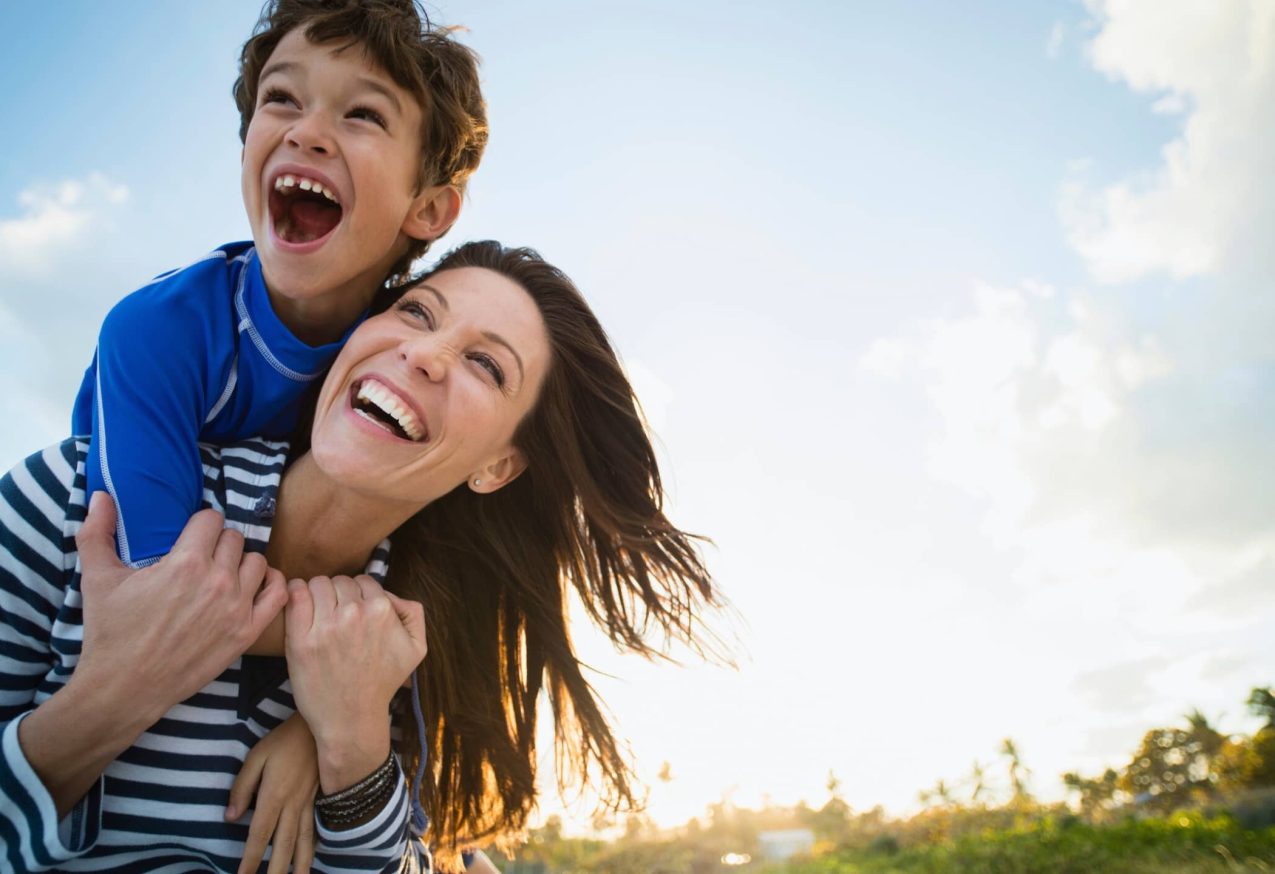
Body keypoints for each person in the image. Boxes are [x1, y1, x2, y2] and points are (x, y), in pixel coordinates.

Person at [0, 242, 722, 872]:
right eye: (416, 312)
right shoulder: (76, 501)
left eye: (484, 364)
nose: (425, 353)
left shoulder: (415, 666)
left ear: (497, 467)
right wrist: (117, 695)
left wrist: (349, 747)